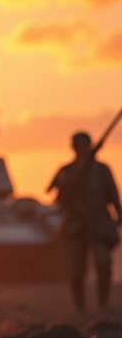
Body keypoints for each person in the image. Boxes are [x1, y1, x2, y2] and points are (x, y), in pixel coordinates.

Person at [48, 131, 121, 312]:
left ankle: (103, 303)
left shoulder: (102, 170)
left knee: (103, 265)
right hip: (76, 223)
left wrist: (119, 215)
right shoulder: (67, 171)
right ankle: (79, 307)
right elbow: (58, 200)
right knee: (76, 269)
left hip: (99, 223)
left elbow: (113, 194)